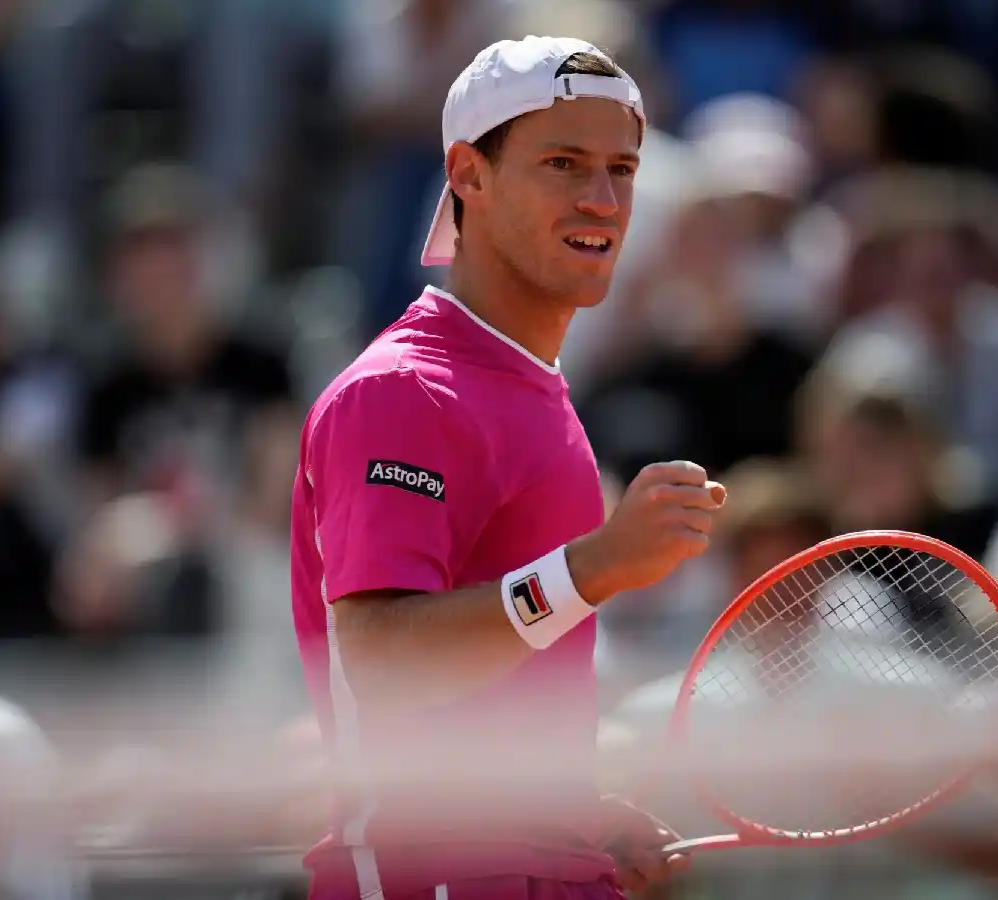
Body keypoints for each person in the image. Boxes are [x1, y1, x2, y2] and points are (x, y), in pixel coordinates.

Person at [290, 35, 727, 900]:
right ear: (469, 175)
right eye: (563, 164)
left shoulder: (530, 386)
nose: (602, 200)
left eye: (622, 170)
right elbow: (382, 662)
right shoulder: (404, 392)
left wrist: (572, 813)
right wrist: (595, 567)